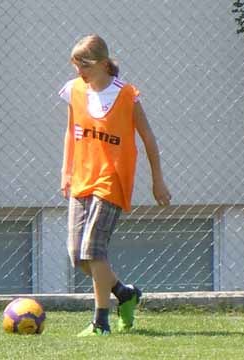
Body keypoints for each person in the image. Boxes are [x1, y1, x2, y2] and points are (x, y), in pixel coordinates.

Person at [59, 34, 171, 336]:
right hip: (82, 177)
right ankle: (124, 294)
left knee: (94, 249)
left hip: (112, 179)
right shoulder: (74, 91)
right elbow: (72, 132)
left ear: (104, 64)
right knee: (78, 256)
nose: (79, 73)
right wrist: (66, 171)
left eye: (85, 66)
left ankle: (100, 321)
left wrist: (157, 180)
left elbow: (148, 138)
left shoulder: (126, 95)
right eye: (76, 66)